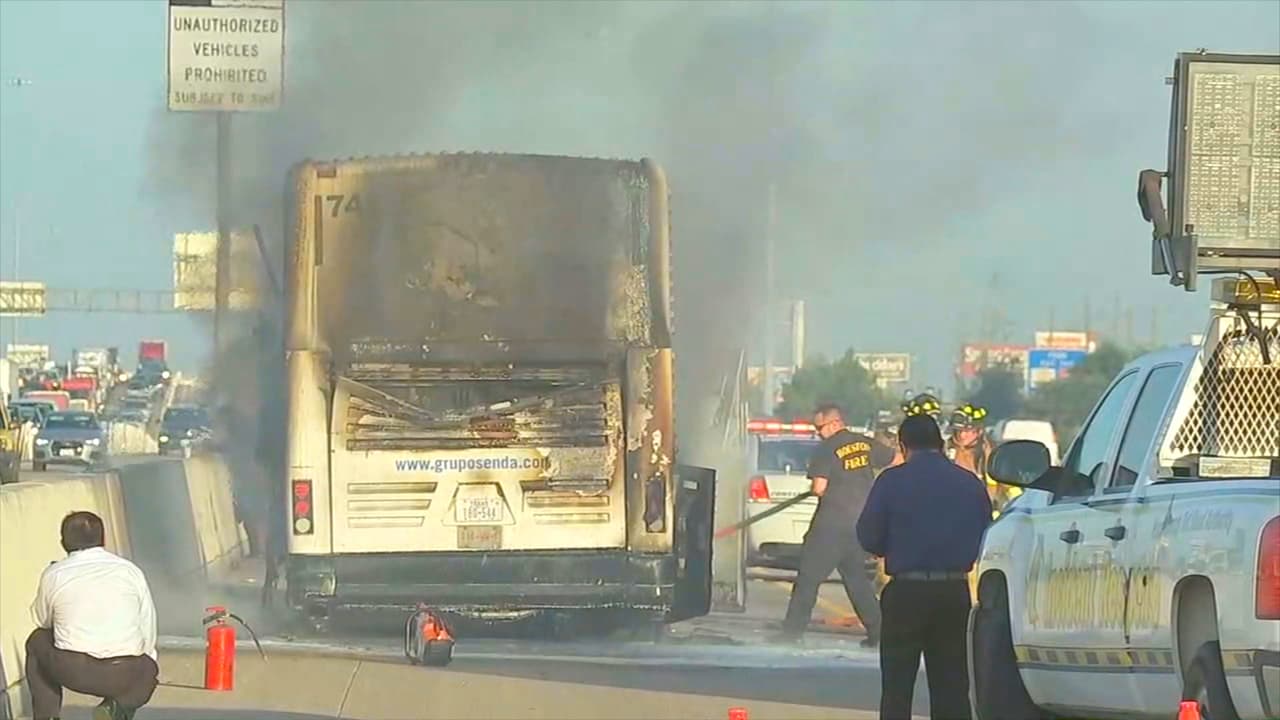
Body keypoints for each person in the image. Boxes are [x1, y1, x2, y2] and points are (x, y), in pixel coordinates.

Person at [857, 414, 992, 720]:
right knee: (952, 685)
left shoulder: (891, 481)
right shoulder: (968, 483)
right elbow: (987, 534)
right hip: (953, 592)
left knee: (897, 685)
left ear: (903, 447)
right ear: (942, 444)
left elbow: (869, 536)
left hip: (906, 591)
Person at [777, 402, 894, 646]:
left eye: (819, 427)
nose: (818, 432)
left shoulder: (826, 448)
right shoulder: (864, 442)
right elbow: (893, 458)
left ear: (835, 422)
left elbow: (819, 488)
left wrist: (817, 486)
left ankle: (790, 634)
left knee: (808, 580)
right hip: (858, 525)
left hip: (830, 526)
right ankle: (880, 633)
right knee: (857, 581)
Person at [26, 511, 159, 720]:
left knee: (36, 640)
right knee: (148, 667)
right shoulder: (130, 571)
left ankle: (47, 716)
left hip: (73, 670)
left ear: (63, 542)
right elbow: (148, 629)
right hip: (124, 673)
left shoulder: (55, 573)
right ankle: (114, 709)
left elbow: (42, 620)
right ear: (103, 540)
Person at [947, 403, 1021, 517]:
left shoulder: (991, 453)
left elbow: (1010, 486)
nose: (962, 435)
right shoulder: (946, 450)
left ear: (979, 431)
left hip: (984, 514)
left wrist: (1019, 505)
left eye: (967, 431)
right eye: (959, 431)